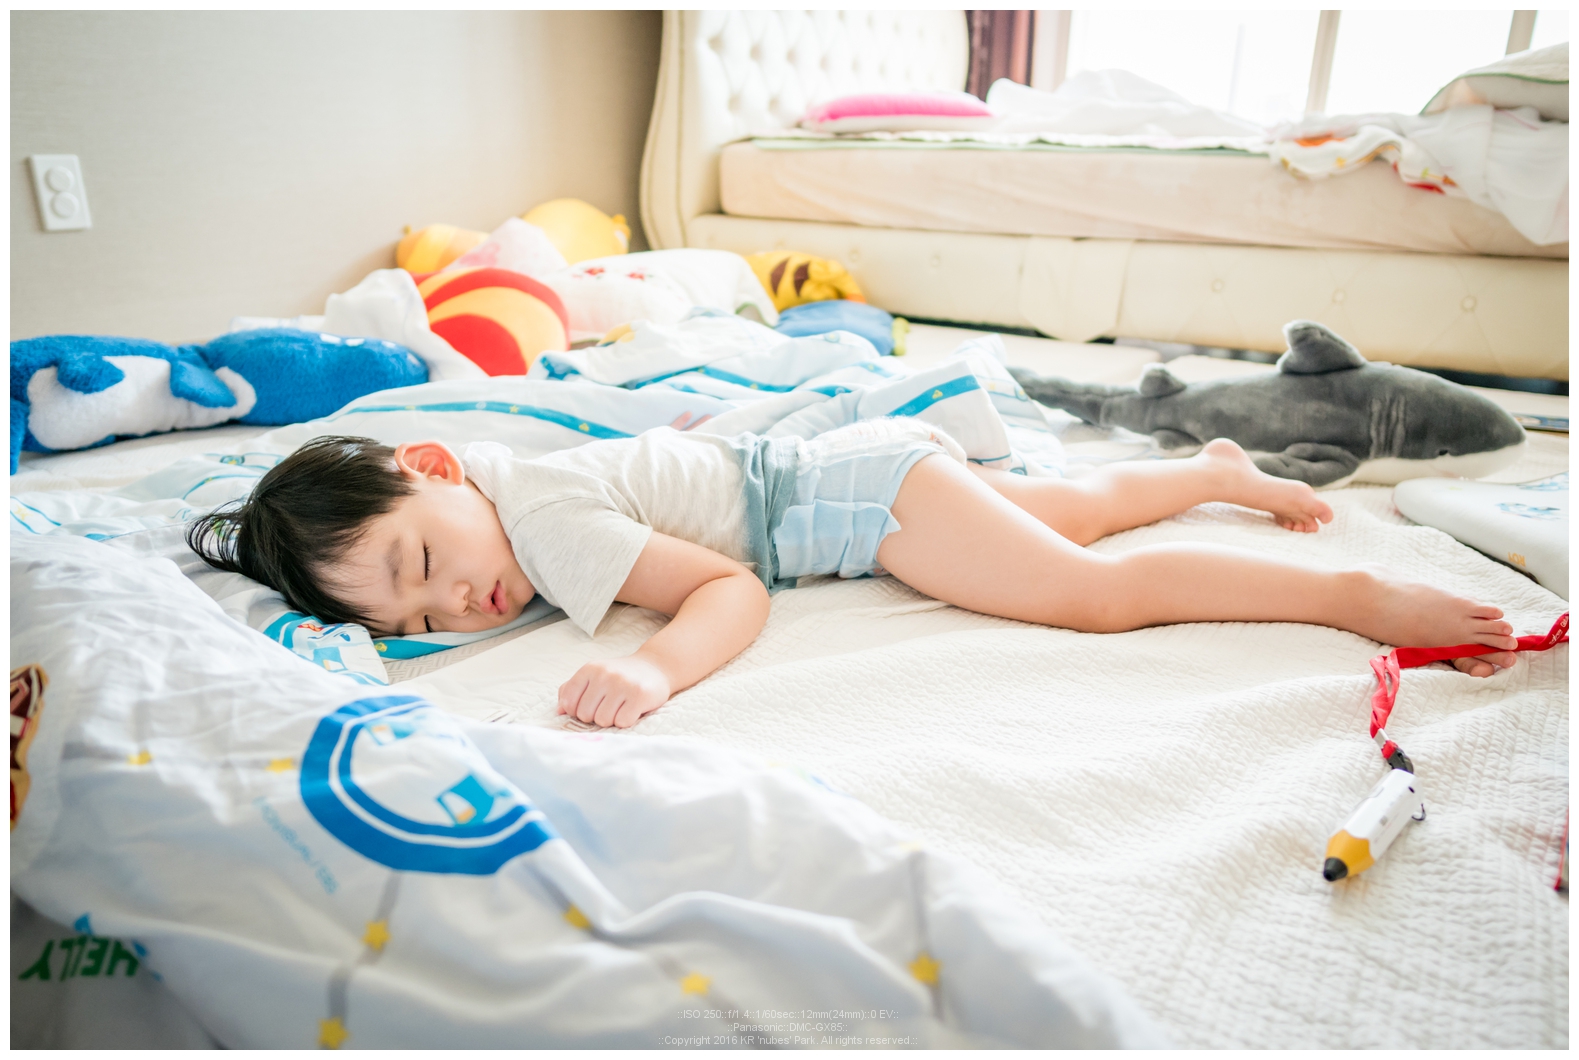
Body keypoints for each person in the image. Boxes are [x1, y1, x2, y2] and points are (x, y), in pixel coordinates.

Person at [188, 421, 1519, 729]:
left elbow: (731, 593)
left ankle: (1349, 599)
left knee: (1092, 591)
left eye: (426, 561)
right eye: (416, 615)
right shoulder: (499, 477)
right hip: (861, 458)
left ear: (434, 467)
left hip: (851, 506)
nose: (454, 607)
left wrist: (654, 671)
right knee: (1068, 506)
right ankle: (1212, 468)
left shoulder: (543, 526)